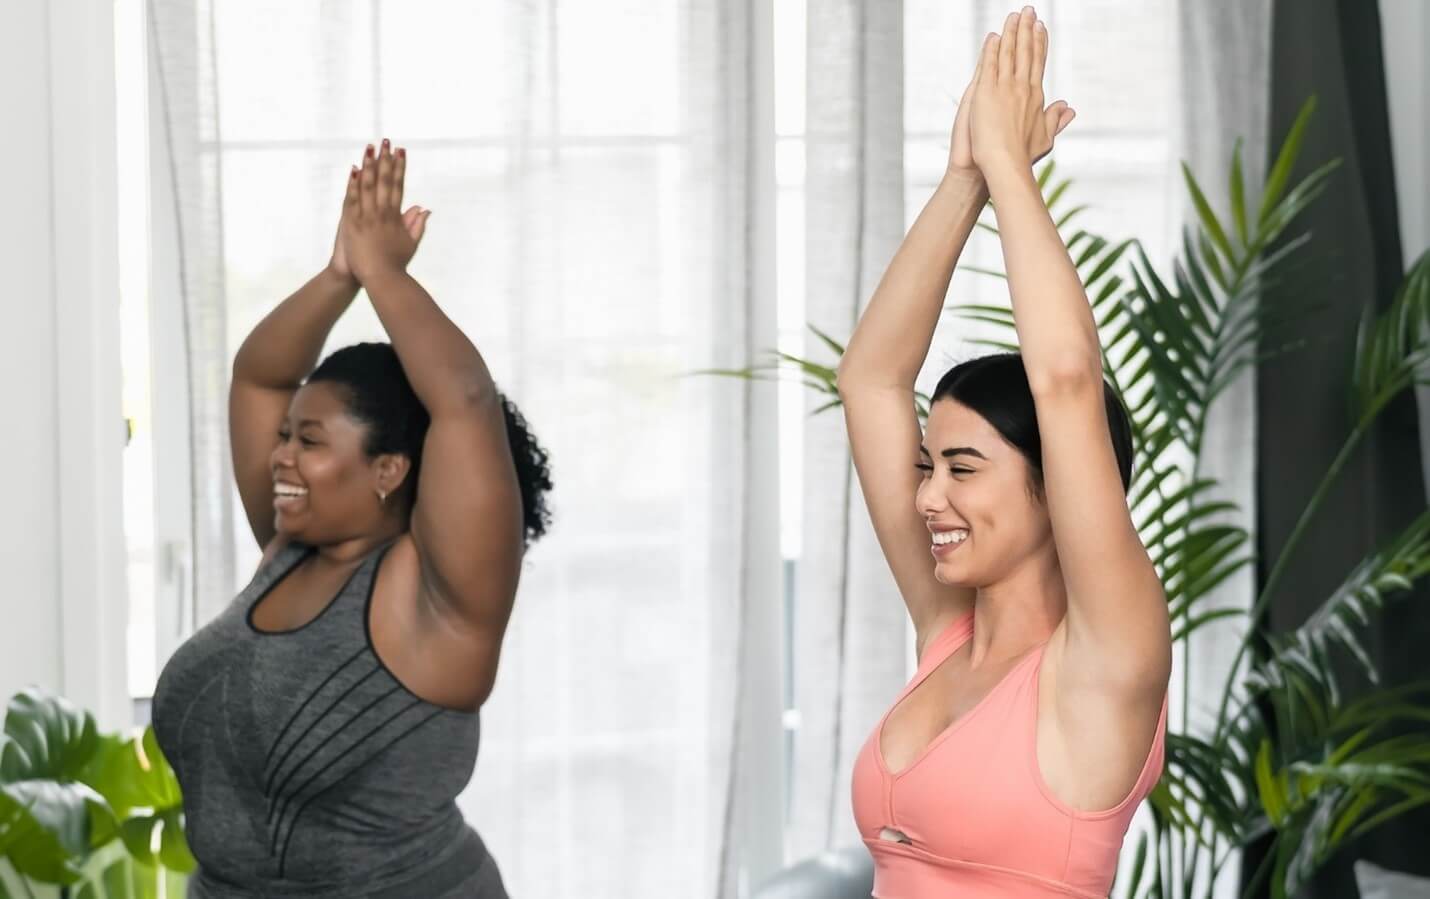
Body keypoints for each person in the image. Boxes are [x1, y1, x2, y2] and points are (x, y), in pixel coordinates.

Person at [153, 139, 551, 898]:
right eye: (285, 437)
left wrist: (386, 275)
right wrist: (340, 272)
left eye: (309, 440)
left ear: (388, 469)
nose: (281, 457)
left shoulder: (437, 601)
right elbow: (260, 374)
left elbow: (463, 402)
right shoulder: (286, 549)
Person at [845, 8, 1172, 897]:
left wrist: (1009, 170)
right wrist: (963, 179)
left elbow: (1067, 381)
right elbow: (871, 381)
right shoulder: (946, 629)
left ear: (1050, 484)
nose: (926, 499)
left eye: (962, 468)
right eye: (927, 465)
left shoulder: (1106, 658)